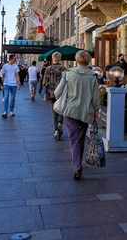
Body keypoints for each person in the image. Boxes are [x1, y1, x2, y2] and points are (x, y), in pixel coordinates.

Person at [54, 50, 99, 180]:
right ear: (88, 60)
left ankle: (77, 167)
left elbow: (58, 92)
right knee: (81, 137)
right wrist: (96, 112)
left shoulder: (68, 74)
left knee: (73, 139)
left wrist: (66, 99)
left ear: (77, 60)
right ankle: (78, 162)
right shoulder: (92, 76)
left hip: (71, 110)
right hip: (86, 111)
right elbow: (96, 98)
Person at [43, 52, 66, 140]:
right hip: (61, 93)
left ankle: (56, 128)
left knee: (54, 111)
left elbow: (44, 82)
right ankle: (60, 122)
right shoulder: (64, 69)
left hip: (52, 93)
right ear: (60, 59)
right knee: (61, 109)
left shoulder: (48, 68)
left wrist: (48, 86)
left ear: (53, 58)